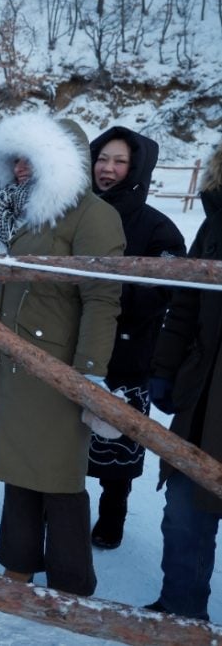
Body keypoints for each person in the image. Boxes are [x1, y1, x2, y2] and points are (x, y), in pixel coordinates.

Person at [0, 113, 124, 596]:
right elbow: (10, 289)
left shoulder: (94, 216)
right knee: (18, 467)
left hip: (57, 371)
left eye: (30, 158)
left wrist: (90, 377)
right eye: (14, 158)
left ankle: (70, 578)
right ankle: (17, 561)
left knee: (59, 477)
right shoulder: (25, 214)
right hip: (15, 365)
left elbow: (102, 301)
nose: (20, 168)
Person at [85, 127, 185, 549]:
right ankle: (62, 510)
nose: (108, 169)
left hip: (127, 355)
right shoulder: (76, 214)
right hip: (76, 350)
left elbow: (170, 289)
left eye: (119, 161)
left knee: (117, 446)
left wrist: (110, 295)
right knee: (67, 442)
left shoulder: (157, 228)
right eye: (102, 158)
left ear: (136, 168)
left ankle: (112, 517)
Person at [145, 138, 222, 620]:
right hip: (202, 396)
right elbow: (186, 304)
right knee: (185, 513)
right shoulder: (216, 224)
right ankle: (181, 612)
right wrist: (165, 369)